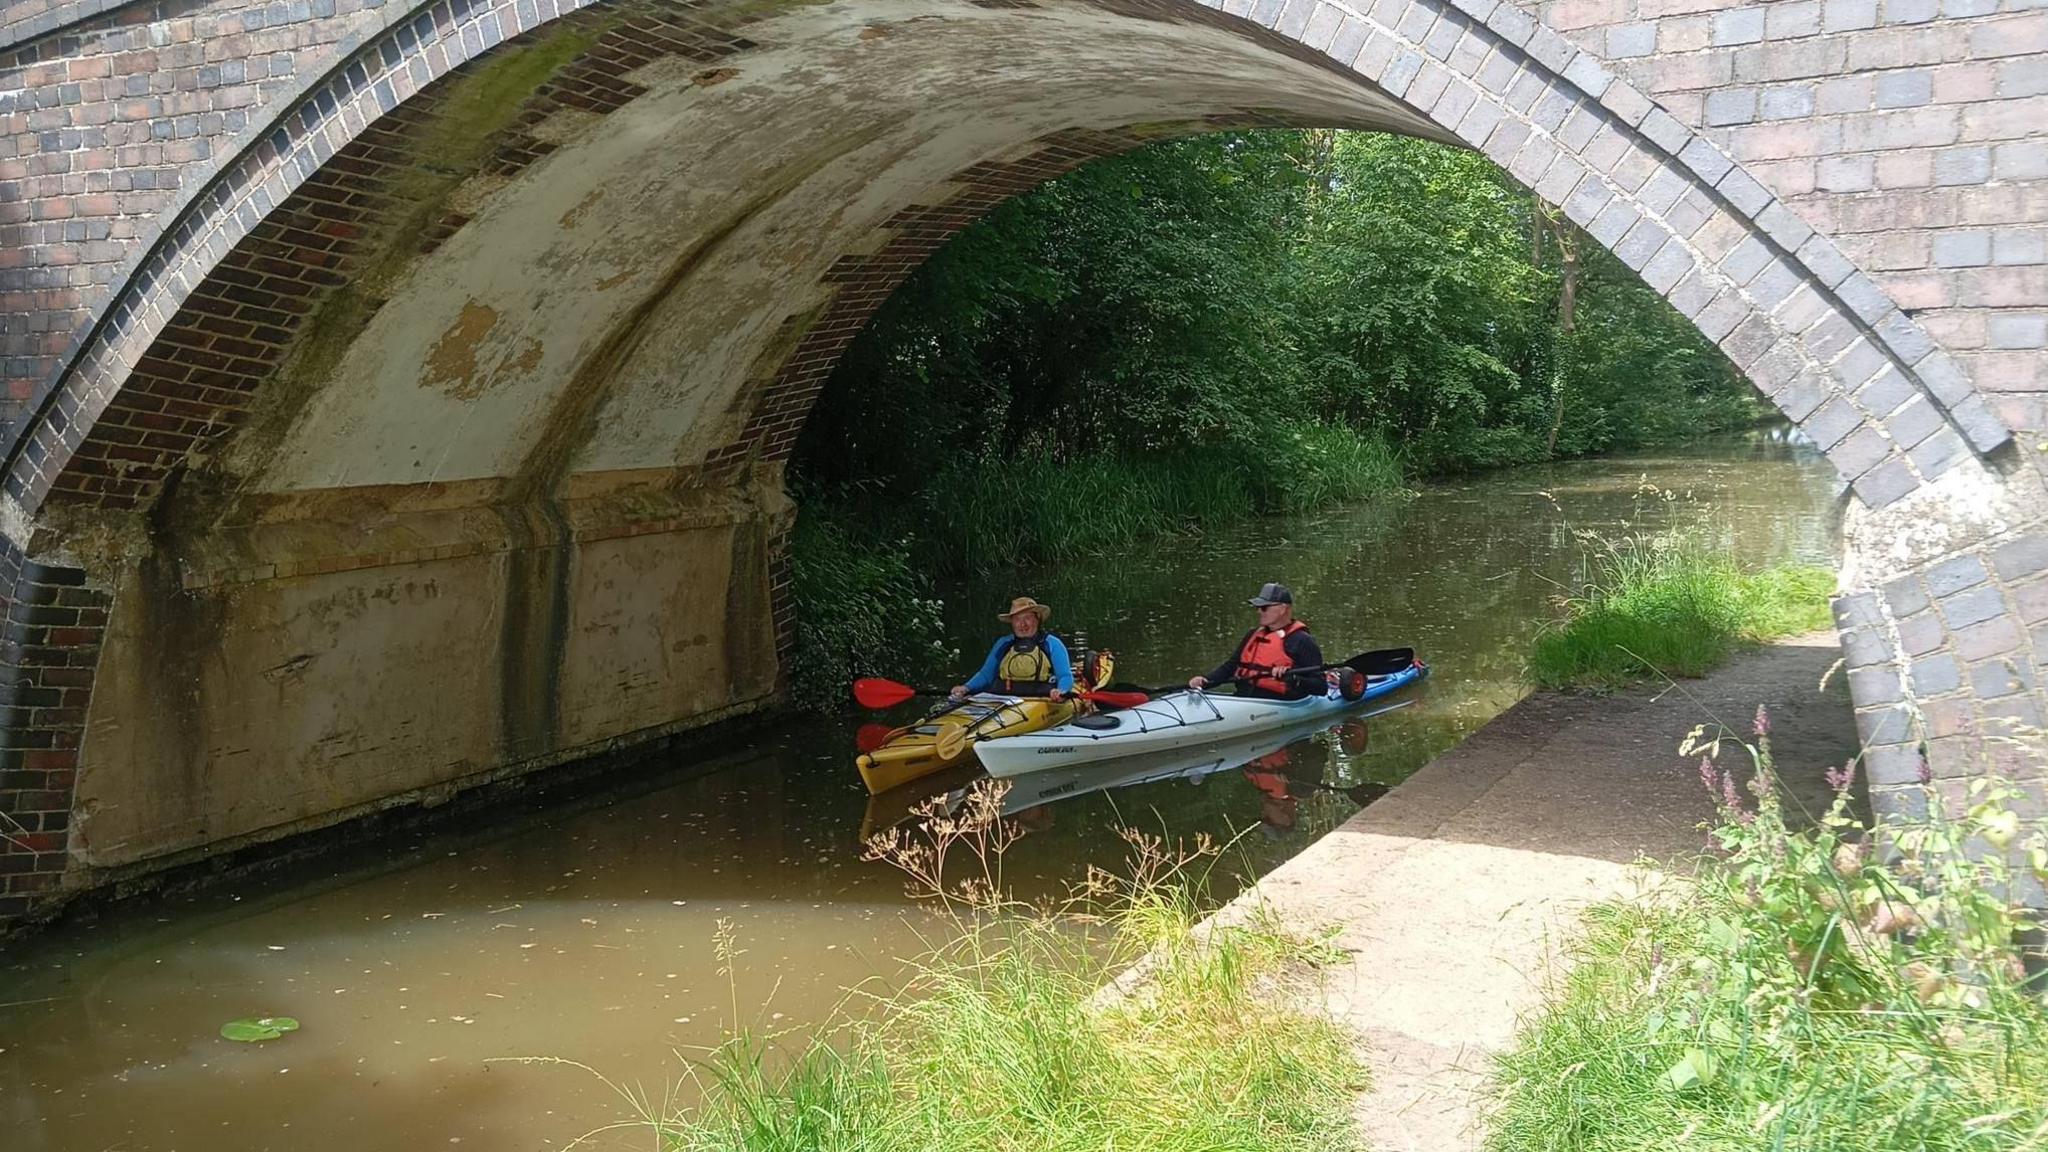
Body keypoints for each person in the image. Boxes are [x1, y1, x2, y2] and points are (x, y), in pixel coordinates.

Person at [1188, 582, 1328, 700]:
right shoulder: (1253, 634)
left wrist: (1292, 678)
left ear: (1283, 609)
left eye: (1264, 607)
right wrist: (1206, 680)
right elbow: (1232, 666)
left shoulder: (1302, 640)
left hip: (1280, 704)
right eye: (1257, 608)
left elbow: (1321, 687)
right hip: (1245, 698)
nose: (1259, 612)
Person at [951, 596, 1075, 701]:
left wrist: (1060, 690)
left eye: (1027, 618)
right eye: (1017, 619)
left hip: (1042, 698)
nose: (1022, 624)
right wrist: (966, 688)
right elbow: (986, 675)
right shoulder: (1004, 643)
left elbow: (1065, 675)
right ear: (1012, 622)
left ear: (1037, 619)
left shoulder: (1052, 644)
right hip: (1004, 698)